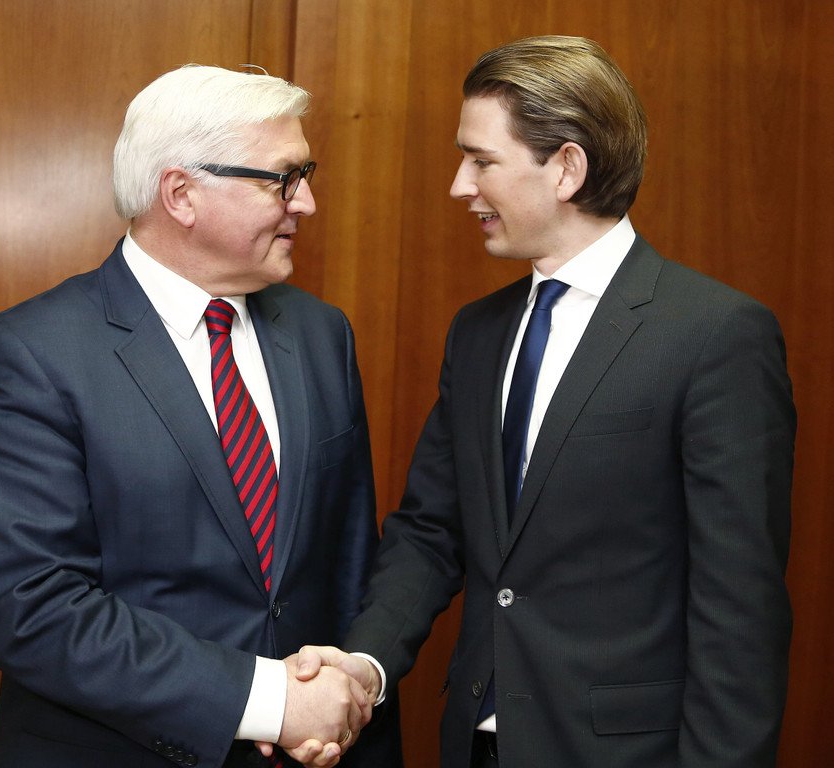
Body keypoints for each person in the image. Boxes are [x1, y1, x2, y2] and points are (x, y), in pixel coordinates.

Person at [294, 35, 796, 767]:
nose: (459, 186)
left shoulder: (715, 334)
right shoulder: (478, 333)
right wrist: (364, 666)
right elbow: (431, 530)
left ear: (566, 167)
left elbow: (739, 605)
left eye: (481, 160)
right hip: (476, 744)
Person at [0, 64, 402, 768]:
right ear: (181, 194)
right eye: (282, 179)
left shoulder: (321, 334)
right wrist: (270, 700)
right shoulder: (31, 354)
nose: (307, 202)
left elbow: (349, 560)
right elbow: (36, 608)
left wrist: (348, 701)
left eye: (305, 174)